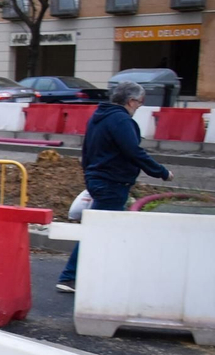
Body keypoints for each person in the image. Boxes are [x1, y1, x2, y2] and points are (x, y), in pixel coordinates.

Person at [55, 80, 172, 294]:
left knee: (104, 230)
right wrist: (161, 172)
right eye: (140, 102)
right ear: (131, 101)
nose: (139, 107)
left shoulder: (99, 116)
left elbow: (87, 151)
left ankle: (94, 274)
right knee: (99, 232)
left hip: (100, 179)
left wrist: (90, 177)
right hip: (112, 182)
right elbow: (134, 152)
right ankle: (70, 277)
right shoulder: (121, 120)